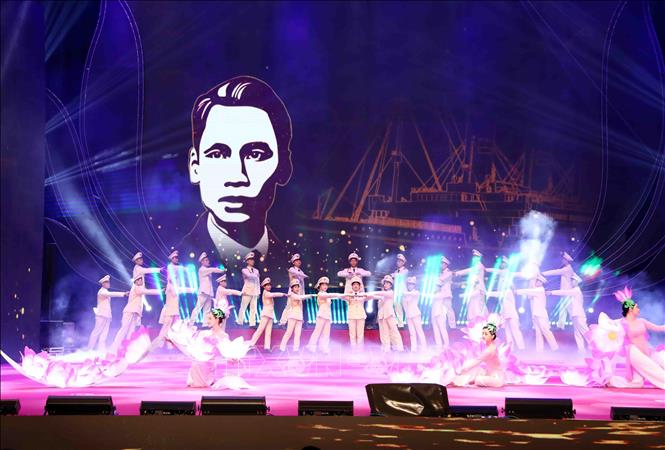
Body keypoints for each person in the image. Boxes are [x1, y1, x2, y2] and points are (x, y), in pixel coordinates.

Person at [182, 76, 294, 260]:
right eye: (217, 154)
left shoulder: (290, 262)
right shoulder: (175, 264)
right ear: (195, 166)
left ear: (283, 166)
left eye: (255, 155)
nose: (237, 177)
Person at [607, 288, 665, 389]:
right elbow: (610, 332)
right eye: (637, 307)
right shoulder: (621, 323)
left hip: (646, 351)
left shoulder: (641, 321)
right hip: (634, 353)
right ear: (630, 309)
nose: (639, 309)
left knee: (637, 383)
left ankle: (611, 381)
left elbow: (658, 328)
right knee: (656, 371)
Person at [152, 250, 196, 350]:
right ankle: (159, 344)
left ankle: (170, 346)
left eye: (177, 257)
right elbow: (178, 270)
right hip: (170, 310)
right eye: (175, 258)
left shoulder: (175, 283)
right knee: (167, 326)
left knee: (174, 327)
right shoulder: (170, 267)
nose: (176, 259)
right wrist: (186, 269)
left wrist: (191, 289)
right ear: (171, 259)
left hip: (175, 310)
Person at [110, 275, 163, 354]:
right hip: (129, 311)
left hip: (135, 312)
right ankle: (114, 349)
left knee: (131, 332)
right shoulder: (136, 288)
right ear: (136, 281)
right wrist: (160, 290)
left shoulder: (138, 288)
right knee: (124, 329)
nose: (141, 281)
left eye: (141, 280)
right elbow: (148, 291)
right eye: (139, 280)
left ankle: (126, 349)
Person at [485, 257, 525, 350]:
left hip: (511, 314)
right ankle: (511, 348)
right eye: (501, 263)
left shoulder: (508, 289)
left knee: (515, 331)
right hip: (505, 314)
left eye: (503, 263)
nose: (501, 265)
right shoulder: (504, 287)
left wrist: (487, 293)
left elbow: (496, 272)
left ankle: (521, 348)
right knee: (508, 332)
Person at [514, 275, 559, 353]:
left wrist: (517, 291)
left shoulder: (540, 290)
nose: (536, 282)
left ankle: (555, 348)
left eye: (537, 281)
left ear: (541, 282)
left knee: (546, 331)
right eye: (536, 281)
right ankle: (539, 350)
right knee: (538, 333)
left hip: (541, 315)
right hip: (536, 314)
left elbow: (528, 291)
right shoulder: (537, 290)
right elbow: (529, 294)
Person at [453, 322, 505, 388]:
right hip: (491, 374)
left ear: (492, 336)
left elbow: (477, 361)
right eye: (483, 333)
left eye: (486, 334)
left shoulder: (490, 350)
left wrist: (462, 370)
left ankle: (462, 379)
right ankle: (463, 379)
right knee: (478, 370)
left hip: (496, 378)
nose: (483, 336)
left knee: (477, 378)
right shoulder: (491, 347)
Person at [546, 273, 587, 353]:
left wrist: (552, 292)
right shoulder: (575, 291)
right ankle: (581, 350)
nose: (571, 282)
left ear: (576, 282)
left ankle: (596, 346)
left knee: (585, 332)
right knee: (577, 334)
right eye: (571, 280)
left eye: (573, 280)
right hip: (575, 315)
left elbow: (564, 292)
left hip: (579, 315)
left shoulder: (576, 291)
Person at [87, 275, 128, 352]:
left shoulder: (105, 291)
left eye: (108, 282)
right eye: (107, 282)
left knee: (104, 334)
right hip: (101, 315)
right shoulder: (102, 292)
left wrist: (110, 316)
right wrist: (123, 294)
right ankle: (89, 348)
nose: (109, 284)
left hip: (107, 315)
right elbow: (112, 294)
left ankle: (101, 350)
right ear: (103, 284)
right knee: (96, 332)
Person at [366, 275, 404, 353]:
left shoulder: (391, 293)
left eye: (387, 283)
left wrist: (371, 292)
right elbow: (375, 297)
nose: (385, 285)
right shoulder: (382, 295)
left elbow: (380, 293)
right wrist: (366, 295)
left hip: (389, 315)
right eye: (385, 283)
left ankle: (399, 348)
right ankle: (386, 348)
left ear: (391, 285)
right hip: (382, 316)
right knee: (384, 333)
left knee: (394, 331)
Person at [249, 277, 286, 351]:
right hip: (265, 314)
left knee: (268, 332)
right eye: (267, 285)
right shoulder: (266, 293)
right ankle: (251, 345)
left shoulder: (268, 293)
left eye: (270, 285)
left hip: (270, 315)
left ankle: (267, 347)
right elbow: (273, 295)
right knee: (260, 330)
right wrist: (283, 294)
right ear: (264, 287)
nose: (269, 286)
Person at [279, 279, 316, 352]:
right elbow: (299, 297)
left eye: (298, 287)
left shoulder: (299, 296)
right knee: (288, 333)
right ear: (292, 288)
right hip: (292, 316)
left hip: (299, 317)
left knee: (298, 334)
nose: (297, 288)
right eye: (295, 287)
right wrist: (309, 296)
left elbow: (301, 308)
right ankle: (281, 348)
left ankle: (295, 349)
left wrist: (302, 318)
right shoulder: (292, 295)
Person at [541, 252, 576, 329]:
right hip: (565, 293)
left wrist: (543, 273)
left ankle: (576, 324)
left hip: (567, 293)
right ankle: (560, 326)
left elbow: (555, 272)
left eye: (563, 259)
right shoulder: (569, 269)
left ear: (566, 260)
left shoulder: (566, 269)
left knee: (570, 310)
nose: (562, 261)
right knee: (562, 310)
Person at [189, 252, 225, 324]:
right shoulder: (202, 269)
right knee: (198, 308)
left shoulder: (206, 269)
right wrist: (222, 270)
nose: (208, 261)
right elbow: (212, 269)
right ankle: (191, 323)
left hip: (208, 292)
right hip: (203, 292)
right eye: (206, 260)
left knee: (207, 310)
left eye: (208, 260)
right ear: (202, 262)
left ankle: (205, 324)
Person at [454, 249, 488, 322]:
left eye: (475, 257)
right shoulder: (477, 266)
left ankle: (480, 322)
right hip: (475, 288)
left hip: (479, 289)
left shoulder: (479, 265)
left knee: (477, 307)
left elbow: (470, 270)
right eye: (473, 257)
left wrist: (458, 273)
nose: (473, 258)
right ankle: (476, 322)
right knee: (474, 306)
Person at [306, 276, 338, 354]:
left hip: (328, 316)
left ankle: (323, 347)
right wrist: (338, 295)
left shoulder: (326, 294)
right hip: (321, 315)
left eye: (326, 285)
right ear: (319, 286)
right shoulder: (320, 294)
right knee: (317, 331)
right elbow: (330, 296)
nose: (325, 286)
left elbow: (331, 297)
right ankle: (311, 346)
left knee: (326, 333)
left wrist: (342, 296)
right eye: (323, 285)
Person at [342, 276, 371, 350]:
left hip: (361, 316)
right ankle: (353, 349)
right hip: (351, 316)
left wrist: (363, 294)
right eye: (354, 284)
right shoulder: (349, 295)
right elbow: (342, 297)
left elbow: (370, 296)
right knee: (352, 334)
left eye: (357, 284)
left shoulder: (362, 295)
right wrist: (349, 294)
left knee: (360, 334)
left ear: (360, 286)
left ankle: (360, 349)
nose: (355, 286)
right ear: (351, 286)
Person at [279, 253, 309, 326]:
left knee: (300, 306)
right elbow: (297, 274)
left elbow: (302, 284)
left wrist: (303, 294)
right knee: (289, 306)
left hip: (299, 292)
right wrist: (305, 276)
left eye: (299, 260)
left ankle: (300, 322)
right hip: (292, 291)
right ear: (293, 262)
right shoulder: (291, 269)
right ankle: (283, 322)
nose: (299, 261)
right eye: (296, 260)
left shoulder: (301, 271)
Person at [401, 276, 427, 352]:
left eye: (412, 284)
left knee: (419, 331)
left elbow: (406, 294)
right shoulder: (406, 294)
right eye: (409, 284)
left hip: (415, 314)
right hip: (409, 316)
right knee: (412, 333)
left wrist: (404, 292)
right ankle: (413, 348)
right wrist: (407, 315)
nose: (410, 286)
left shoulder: (416, 292)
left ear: (414, 285)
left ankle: (424, 347)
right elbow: (404, 305)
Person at [237, 252, 260, 327]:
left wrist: (258, 292)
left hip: (255, 291)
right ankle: (240, 322)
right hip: (247, 291)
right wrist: (256, 275)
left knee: (253, 308)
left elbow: (258, 281)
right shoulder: (244, 270)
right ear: (247, 261)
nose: (252, 261)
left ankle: (252, 323)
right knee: (243, 307)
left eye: (253, 260)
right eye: (250, 260)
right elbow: (249, 276)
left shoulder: (256, 270)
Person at [391, 253, 409, 328]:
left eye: (400, 261)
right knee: (397, 308)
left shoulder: (405, 270)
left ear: (403, 262)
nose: (398, 262)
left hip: (403, 292)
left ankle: (408, 323)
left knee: (407, 308)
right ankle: (400, 324)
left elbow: (400, 276)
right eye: (398, 261)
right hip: (397, 292)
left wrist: (392, 275)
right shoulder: (396, 271)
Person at [439, 256, 456, 329]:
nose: (441, 265)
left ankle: (452, 326)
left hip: (446, 294)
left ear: (446, 264)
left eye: (442, 264)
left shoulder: (448, 273)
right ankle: (443, 325)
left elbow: (441, 279)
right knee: (441, 311)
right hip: (440, 295)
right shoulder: (441, 273)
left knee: (449, 310)